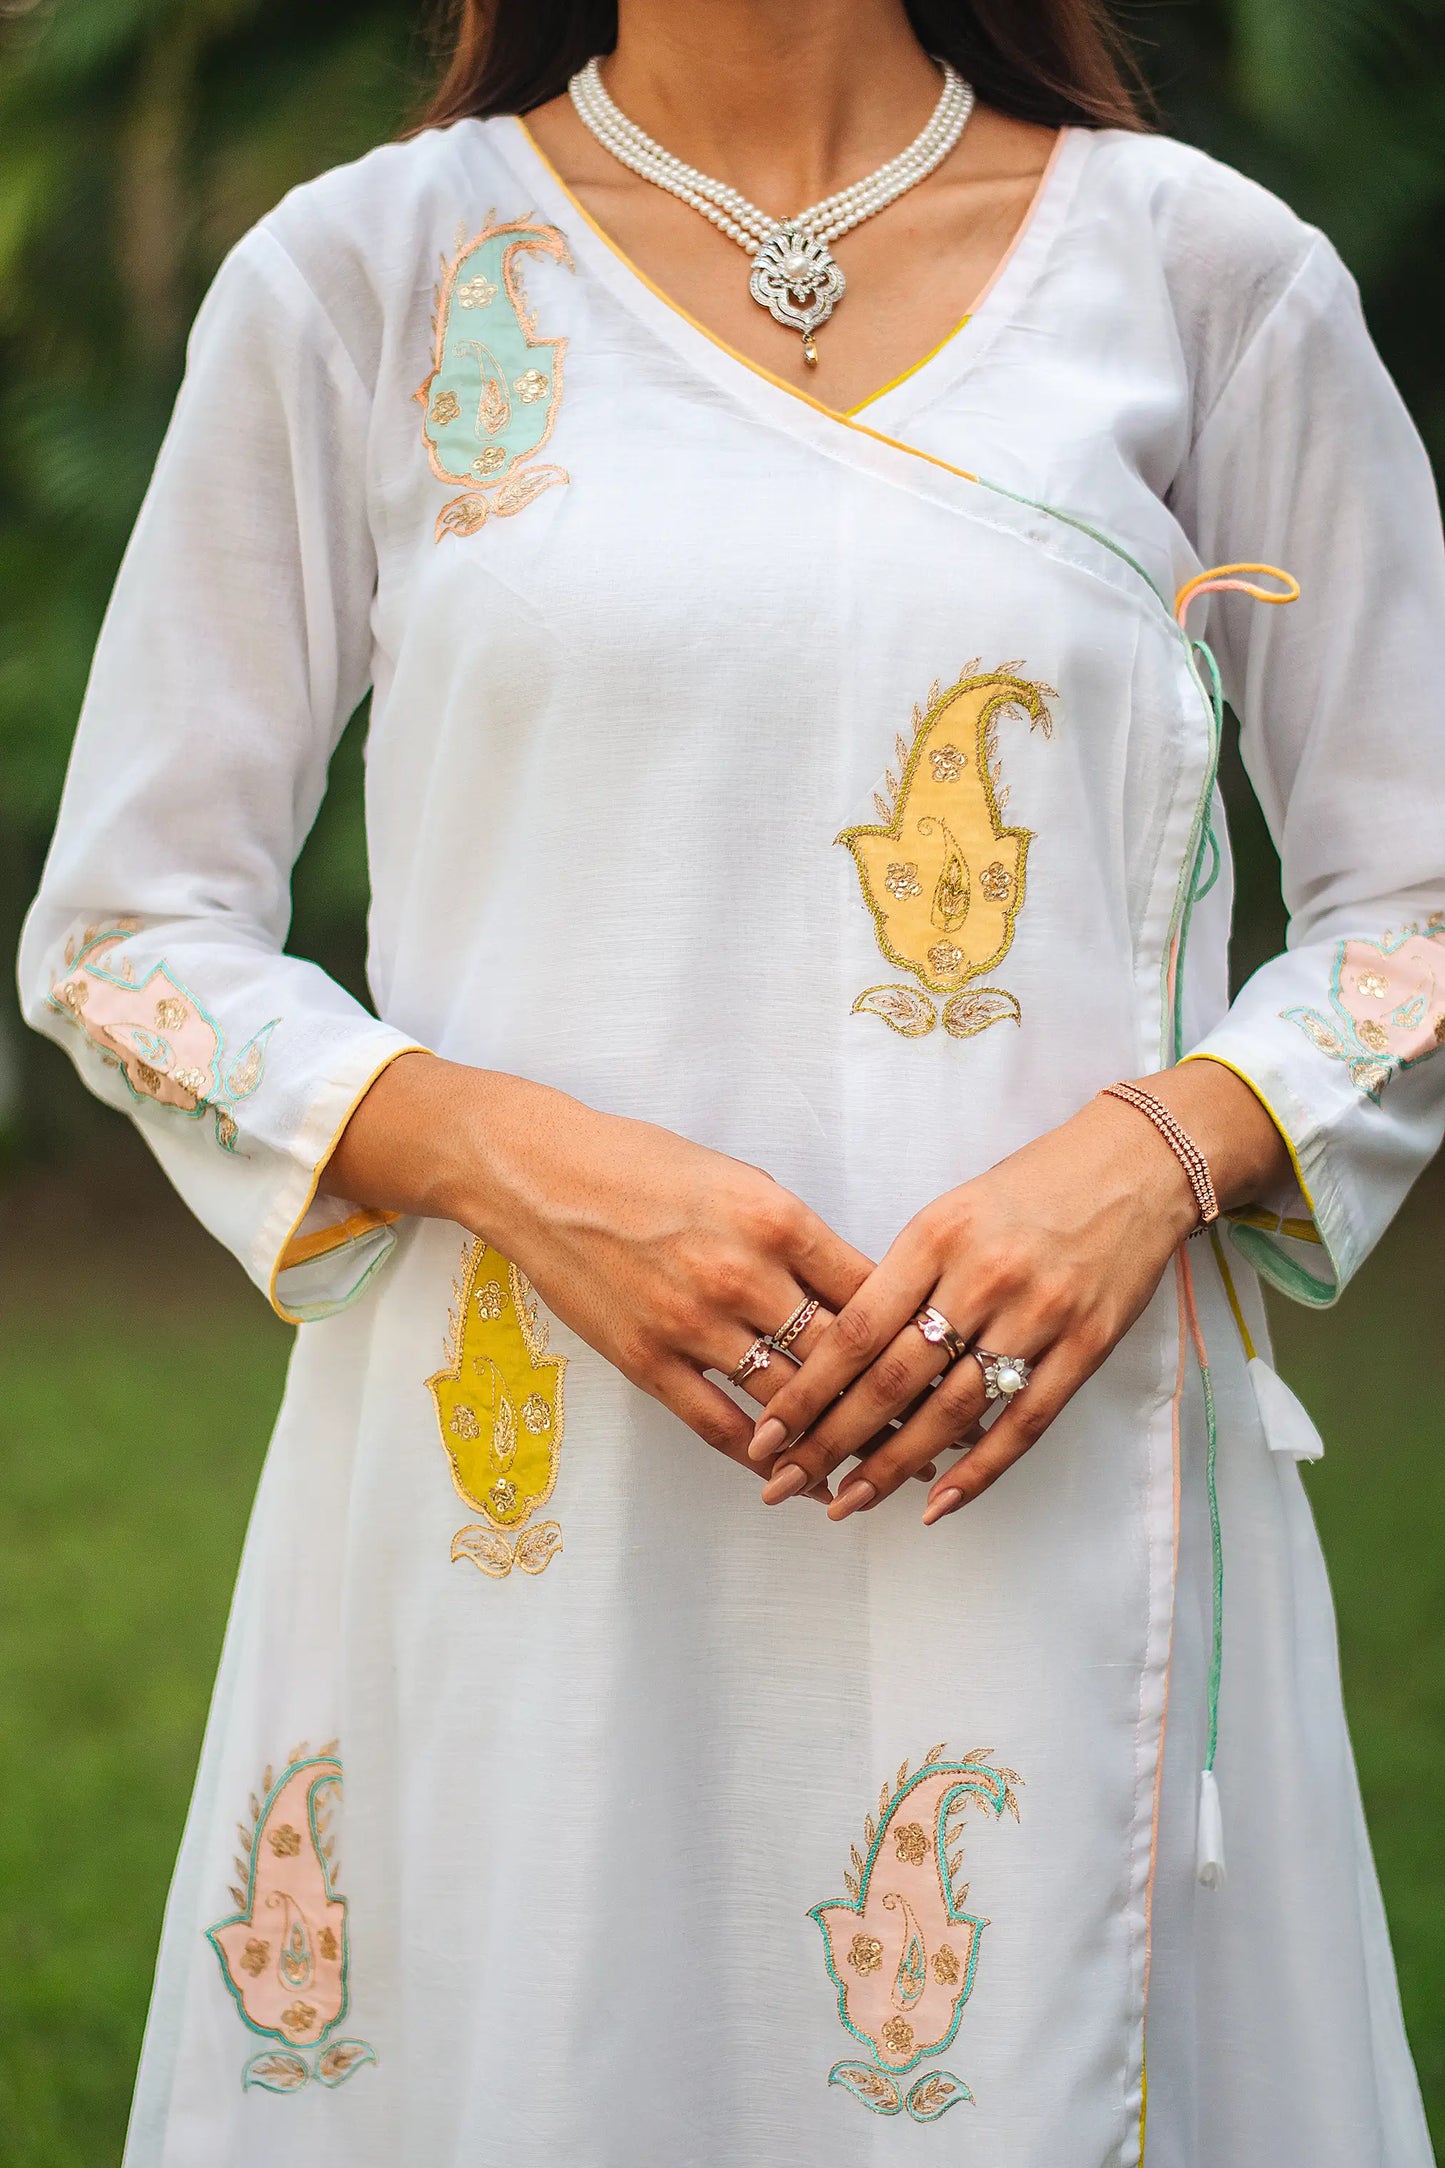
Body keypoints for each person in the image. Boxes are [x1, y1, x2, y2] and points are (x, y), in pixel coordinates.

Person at [18, 0, 1444, 2159]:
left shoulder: (1207, 276)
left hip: (1053, 1469)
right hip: (532, 1493)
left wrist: (1155, 1152)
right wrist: (509, 1154)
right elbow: (128, 939)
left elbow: (1415, 901)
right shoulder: (367, 279)